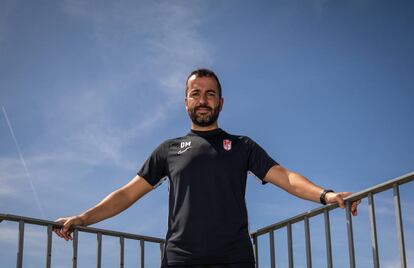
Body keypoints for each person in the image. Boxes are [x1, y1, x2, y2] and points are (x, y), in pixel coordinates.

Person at [54, 68, 360, 268]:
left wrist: (326, 195)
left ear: (221, 103)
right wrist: (83, 218)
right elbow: (127, 194)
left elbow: (287, 177)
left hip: (234, 258)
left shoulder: (242, 146)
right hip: (181, 259)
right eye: (196, 93)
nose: (203, 100)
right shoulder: (168, 150)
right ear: (185, 102)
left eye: (210, 93)